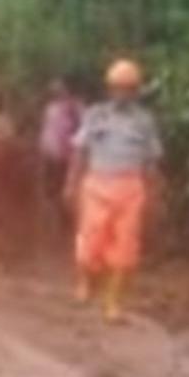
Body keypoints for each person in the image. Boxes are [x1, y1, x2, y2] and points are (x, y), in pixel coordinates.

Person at [66, 58, 161, 324]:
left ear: (136, 90)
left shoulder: (145, 121)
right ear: (109, 89)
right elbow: (80, 150)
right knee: (90, 242)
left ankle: (113, 303)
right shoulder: (95, 115)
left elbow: (151, 160)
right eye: (117, 87)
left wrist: (154, 192)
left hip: (130, 188)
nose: (122, 93)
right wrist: (71, 183)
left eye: (128, 88)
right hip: (97, 185)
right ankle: (86, 281)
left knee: (125, 248)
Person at [37, 74, 84, 228]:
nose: (55, 88)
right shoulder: (51, 106)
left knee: (61, 189)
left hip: (65, 155)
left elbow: (83, 128)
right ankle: (50, 220)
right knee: (49, 188)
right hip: (49, 153)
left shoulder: (74, 106)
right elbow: (47, 129)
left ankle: (63, 221)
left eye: (58, 85)